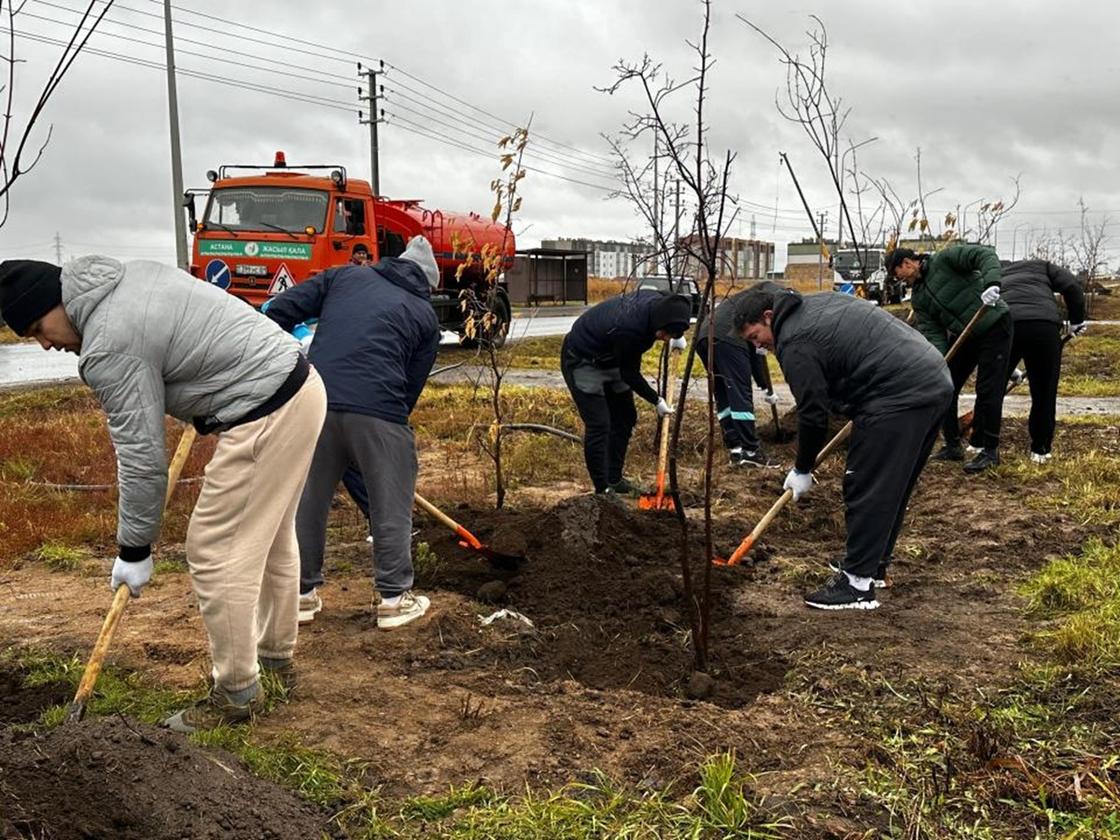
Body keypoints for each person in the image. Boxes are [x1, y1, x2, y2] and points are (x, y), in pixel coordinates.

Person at [0, 257, 327, 732]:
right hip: (300, 386)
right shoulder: (129, 276)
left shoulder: (109, 344)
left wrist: (134, 548)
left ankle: (237, 694)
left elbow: (140, 457)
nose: (46, 344)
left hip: (266, 408)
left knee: (216, 549)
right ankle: (274, 661)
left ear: (57, 301)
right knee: (270, 535)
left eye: (38, 328)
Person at [734, 287, 953, 610]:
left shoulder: (795, 341)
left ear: (768, 317)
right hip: (931, 381)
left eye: (756, 336)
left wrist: (803, 468)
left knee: (865, 484)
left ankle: (857, 585)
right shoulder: (815, 302)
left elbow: (812, 411)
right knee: (891, 484)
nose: (758, 346)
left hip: (898, 393)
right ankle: (871, 563)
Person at [263, 236, 440, 629]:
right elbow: (411, 385)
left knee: (308, 499)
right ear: (427, 283)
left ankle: (300, 595)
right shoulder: (425, 315)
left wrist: (289, 366)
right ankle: (394, 599)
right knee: (391, 499)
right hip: (380, 407)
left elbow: (278, 310)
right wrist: (383, 434)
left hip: (316, 401)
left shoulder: (343, 277)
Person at [885, 244, 1012, 473]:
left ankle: (990, 451)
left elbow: (984, 254)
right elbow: (933, 333)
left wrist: (992, 283)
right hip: (967, 334)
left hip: (994, 323)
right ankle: (953, 445)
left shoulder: (944, 260)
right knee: (945, 385)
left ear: (906, 264)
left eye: (897, 275)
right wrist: (938, 361)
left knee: (988, 389)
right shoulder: (919, 298)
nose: (900, 280)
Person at [561, 289, 691, 496]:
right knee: (599, 424)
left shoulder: (659, 302)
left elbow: (676, 301)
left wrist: (679, 335)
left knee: (626, 417)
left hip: (612, 357)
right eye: (666, 334)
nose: (666, 339)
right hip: (582, 358)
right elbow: (629, 373)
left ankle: (615, 479)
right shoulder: (630, 328)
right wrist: (656, 400)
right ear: (658, 323)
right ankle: (602, 490)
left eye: (670, 336)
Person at [1001, 259, 1087, 462]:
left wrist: (1006, 368)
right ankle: (1040, 450)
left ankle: (981, 444)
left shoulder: (997, 272)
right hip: (1044, 328)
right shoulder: (1043, 267)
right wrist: (1076, 321)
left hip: (1006, 327)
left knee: (992, 387)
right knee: (1044, 391)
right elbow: (1073, 287)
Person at [696, 283, 785, 468]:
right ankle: (751, 450)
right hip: (728, 335)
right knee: (739, 391)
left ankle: (735, 447)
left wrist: (764, 385)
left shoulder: (754, 298)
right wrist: (765, 387)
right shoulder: (773, 302)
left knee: (723, 389)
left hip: (704, 333)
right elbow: (758, 340)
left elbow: (756, 349)